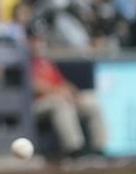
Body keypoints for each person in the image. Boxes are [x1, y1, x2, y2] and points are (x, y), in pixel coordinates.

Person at [27, 24, 108, 159]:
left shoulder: (45, 62)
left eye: (40, 39)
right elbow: (34, 85)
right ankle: (75, 150)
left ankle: (99, 149)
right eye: (34, 39)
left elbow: (62, 82)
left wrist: (74, 94)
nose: (38, 43)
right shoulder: (24, 61)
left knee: (91, 100)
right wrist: (59, 92)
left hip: (56, 98)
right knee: (61, 103)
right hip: (35, 105)